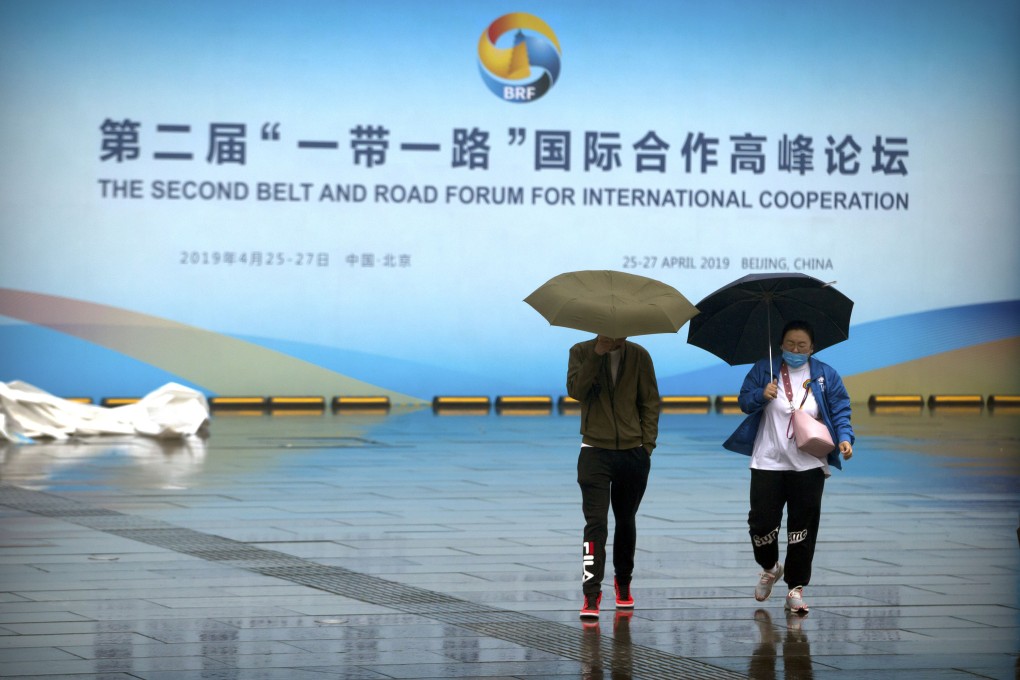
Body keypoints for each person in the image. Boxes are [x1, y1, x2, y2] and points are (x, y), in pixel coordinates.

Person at [723, 320, 854, 615]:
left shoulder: (824, 375)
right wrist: (761, 394)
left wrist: (845, 439)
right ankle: (770, 567)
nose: (795, 350)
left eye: (802, 345)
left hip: (808, 463)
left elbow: (840, 409)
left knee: (802, 529)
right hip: (767, 460)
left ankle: (795, 588)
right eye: (790, 344)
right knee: (761, 524)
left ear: (812, 348)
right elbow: (744, 401)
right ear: (780, 345)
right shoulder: (764, 368)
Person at [567, 334, 660, 619]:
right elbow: (576, 390)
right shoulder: (581, 351)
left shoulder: (639, 355)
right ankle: (591, 593)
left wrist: (647, 446)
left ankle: (623, 583)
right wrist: (597, 353)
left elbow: (650, 402)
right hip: (594, 449)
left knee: (625, 520)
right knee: (595, 522)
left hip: (633, 453)